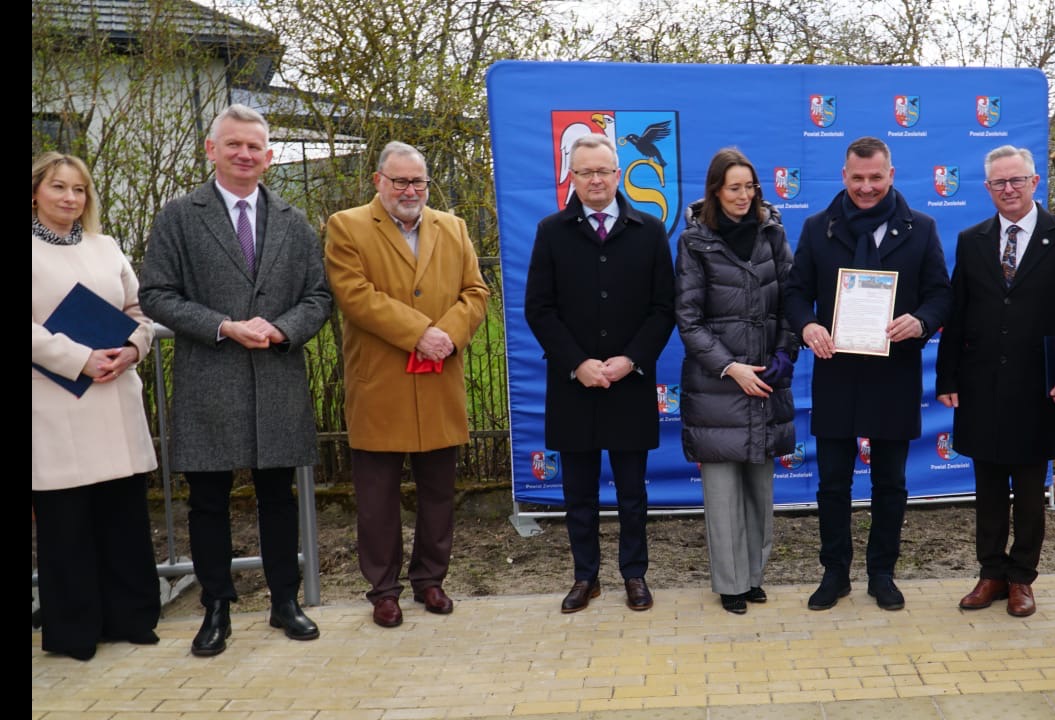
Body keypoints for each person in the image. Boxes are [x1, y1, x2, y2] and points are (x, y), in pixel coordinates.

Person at [139, 103, 333, 657]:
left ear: (269, 156)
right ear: (212, 149)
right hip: (210, 375)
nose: (245, 154)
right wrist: (222, 325)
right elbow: (156, 294)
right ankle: (216, 608)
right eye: (234, 145)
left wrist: (282, 329)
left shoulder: (295, 221)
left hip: (276, 376)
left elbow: (319, 297)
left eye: (255, 147)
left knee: (278, 496)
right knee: (208, 501)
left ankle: (284, 603)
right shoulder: (179, 216)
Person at [324, 142, 489, 628]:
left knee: (439, 491)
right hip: (381, 385)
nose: (410, 190)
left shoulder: (453, 227)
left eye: (418, 181)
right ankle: (383, 590)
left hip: (439, 382)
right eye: (400, 181)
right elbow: (355, 296)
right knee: (377, 499)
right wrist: (420, 334)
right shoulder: (347, 226)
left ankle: (431, 581)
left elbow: (476, 292)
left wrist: (449, 335)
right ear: (378, 181)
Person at [784, 136, 951, 612]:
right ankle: (834, 573)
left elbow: (941, 294)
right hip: (836, 371)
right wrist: (808, 324)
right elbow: (795, 293)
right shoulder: (819, 228)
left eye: (876, 177)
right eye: (857, 178)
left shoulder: (921, 228)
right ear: (843, 176)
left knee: (890, 484)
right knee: (832, 483)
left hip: (894, 373)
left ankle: (882, 573)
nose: (866, 187)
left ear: (891, 175)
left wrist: (921, 321)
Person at [937, 145, 1055, 618]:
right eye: (998, 183)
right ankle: (990, 573)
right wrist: (947, 376)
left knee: (1028, 488)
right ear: (987, 189)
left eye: (1016, 181)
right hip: (981, 383)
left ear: (1034, 182)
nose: (1008, 189)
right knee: (986, 487)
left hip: (1038, 383)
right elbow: (957, 313)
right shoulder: (971, 239)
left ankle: (1022, 577)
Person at [525, 133, 675, 614]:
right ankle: (584, 577)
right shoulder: (552, 230)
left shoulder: (649, 230)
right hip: (574, 387)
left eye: (603, 171)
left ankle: (634, 574)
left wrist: (631, 359)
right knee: (579, 494)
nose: (595, 179)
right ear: (572, 174)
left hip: (629, 383)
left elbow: (663, 309)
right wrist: (577, 363)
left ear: (617, 174)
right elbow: (539, 309)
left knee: (633, 493)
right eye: (585, 171)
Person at [31, 152, 161, 661]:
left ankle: (131, 617)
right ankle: (75, 631)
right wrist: (80, 359)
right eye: (59, 187)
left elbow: (138, 310)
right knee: (68, 524)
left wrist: (134, 348)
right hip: (56, 400)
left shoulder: (106, 247)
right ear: (36, 191)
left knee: (123, 517)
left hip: (115, 396)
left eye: (79, 189)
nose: (70, 198)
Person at [674, 148, 799, 615]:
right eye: (734, 188)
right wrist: (730, 367)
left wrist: (786, 350)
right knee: (724, 493)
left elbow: (791, 300)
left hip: (766, 381)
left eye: (750, 187)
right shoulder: (695, 242)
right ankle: (730, 584)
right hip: (719, 386)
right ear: (716, 191)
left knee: (759, 490)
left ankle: (753, 576)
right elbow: (688, 320)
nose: (744, 196)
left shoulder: (774, 235)